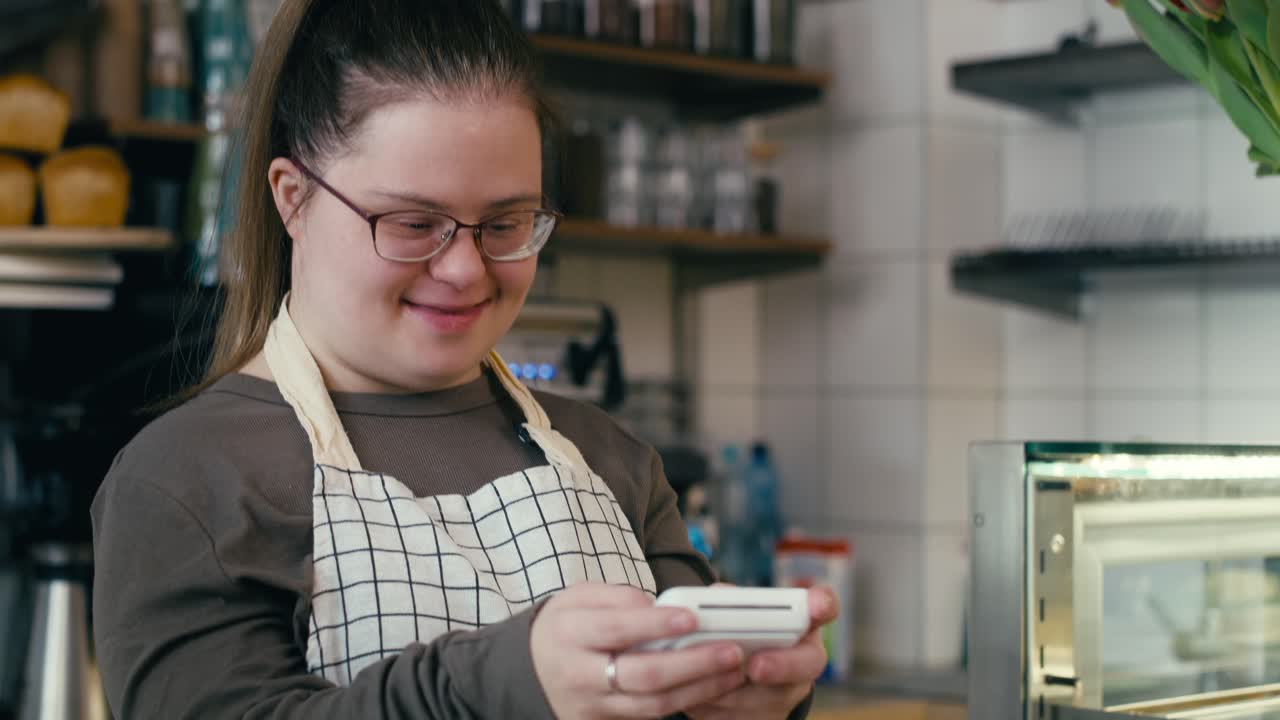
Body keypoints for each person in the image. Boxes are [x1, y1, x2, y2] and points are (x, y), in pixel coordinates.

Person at [89, 0, 837, 717]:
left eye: (506, 223)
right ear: (293, 198)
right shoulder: (187, 479)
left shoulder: (612, 459)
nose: (467, 271)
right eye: (415, 222)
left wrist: (751, 692)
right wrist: (509, 682)